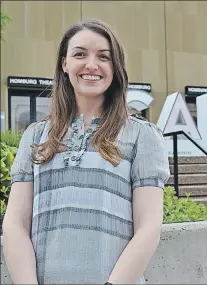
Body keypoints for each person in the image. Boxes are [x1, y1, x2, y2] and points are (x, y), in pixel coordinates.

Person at [2, 19, 170, 284]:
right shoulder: (35, 136)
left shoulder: (141, 135)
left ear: (115, 68)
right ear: (64, 63)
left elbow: (149, 227)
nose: (92, 65)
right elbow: (15, 225)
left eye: (104, 57)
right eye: (80, 54)